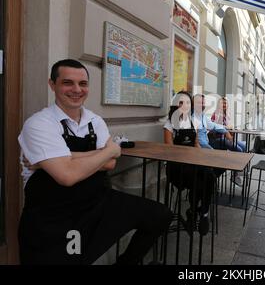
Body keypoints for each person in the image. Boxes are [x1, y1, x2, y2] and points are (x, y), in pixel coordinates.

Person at [18, 59, 172, 265]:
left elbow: (109, 165)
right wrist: (109, 150)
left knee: (159, 215)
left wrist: (64, 157)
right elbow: (67, 176)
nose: (76, 89)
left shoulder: (95, 120)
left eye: (82, 84)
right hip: (54, 215)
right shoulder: (39, 124)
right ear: (52, 84)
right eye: (67, 83)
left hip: (97, 202)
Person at [164, 91, 216, 235]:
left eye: (187, 102)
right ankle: (192, 213)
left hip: (193, 163)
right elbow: (169, 150)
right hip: (176, 167)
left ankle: (202, 213)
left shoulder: (193, 122)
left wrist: (203, 158)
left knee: (210, 175)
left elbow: (196, 145)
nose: (185, 105)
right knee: (199, 182)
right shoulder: (169, 124)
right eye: (181, 102)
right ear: (176, 104)